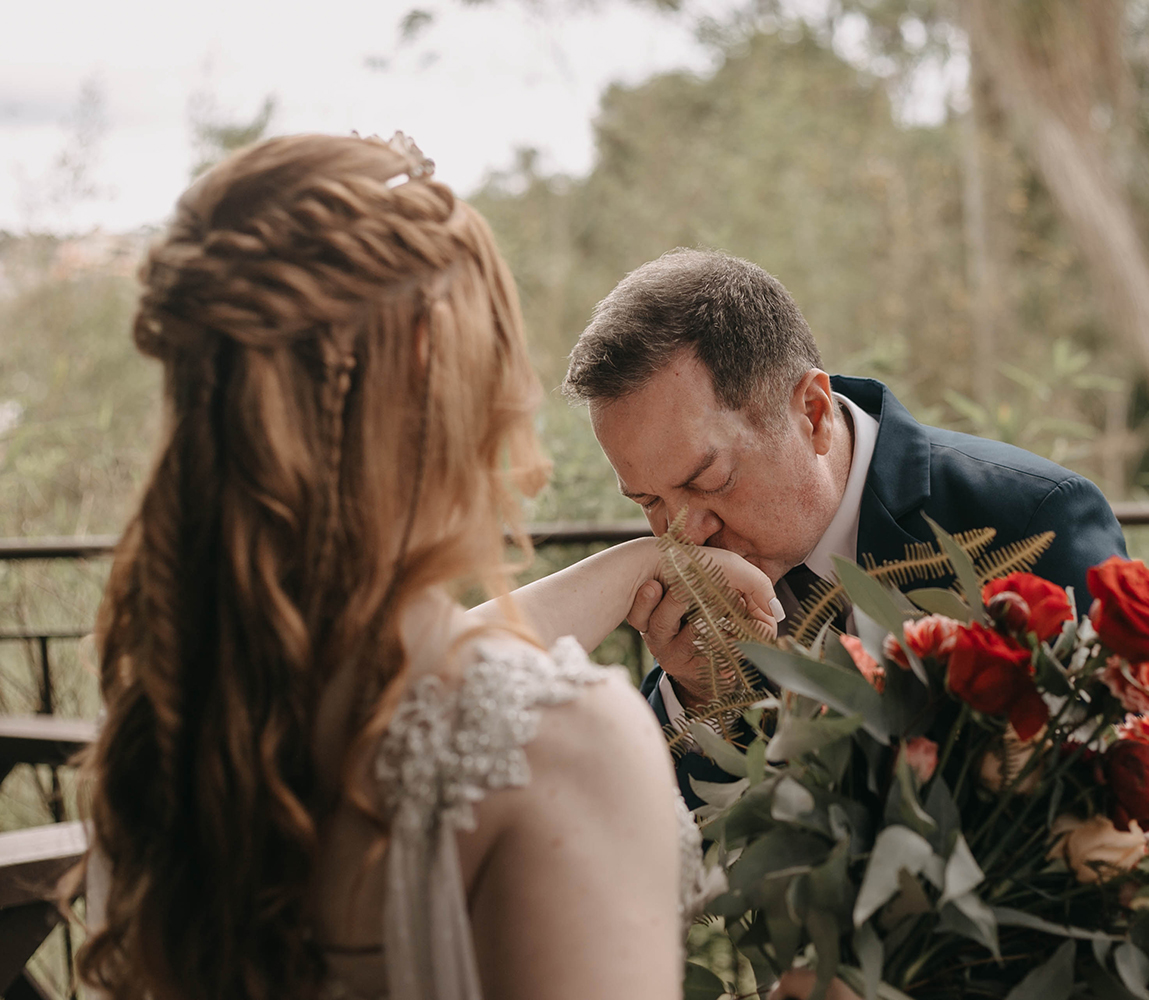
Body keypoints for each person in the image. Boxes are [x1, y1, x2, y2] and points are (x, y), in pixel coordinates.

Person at [75, 135, 777, 1000]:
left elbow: (413, 672)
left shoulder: (167, 724)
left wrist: (645, 560)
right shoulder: (559, 748)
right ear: (426, 359)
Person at [562, 248, 1130, 806]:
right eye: (648, 502)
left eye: (709, 481)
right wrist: (699, 692)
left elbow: (1135, 809)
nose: (685, 535)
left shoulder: (1032, 520)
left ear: (811, 413)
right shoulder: (684, 605)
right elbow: (669, 849)